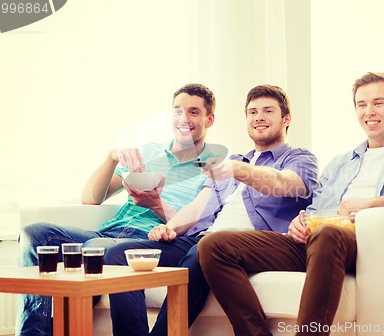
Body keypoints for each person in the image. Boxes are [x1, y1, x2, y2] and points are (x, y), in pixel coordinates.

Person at [198, 72, 384, 336]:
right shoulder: (341, 162)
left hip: (362, 242)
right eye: (362, 105)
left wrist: (373, 204)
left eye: (378, 103)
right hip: (317, 241)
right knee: (213, 245)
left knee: (328, 233)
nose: (369, 111)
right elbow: (315, 209)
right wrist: (299, 222)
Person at [103, 84, 319, 335]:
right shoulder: (235, 160)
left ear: (286, 119)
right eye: (252, 112)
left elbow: (287, 183)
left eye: (268, 111)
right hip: (201, 240)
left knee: (205, 249)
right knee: (120, 254)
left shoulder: (300, 158)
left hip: (248, 245)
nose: (258, 117)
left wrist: (238, 171)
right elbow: (199, 207)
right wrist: (168, 227)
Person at [16, 83, 217, 336]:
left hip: (153, 241)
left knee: (98, 250)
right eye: (177, 111)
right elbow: (90, 198)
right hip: (109, 234)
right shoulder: (148, 152)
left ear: (209, 119)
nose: (183, 119)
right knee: (36, 233)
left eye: (193, 112)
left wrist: (155, 204)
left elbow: (197, 225)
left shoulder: (214, 166)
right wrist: (111, 157)